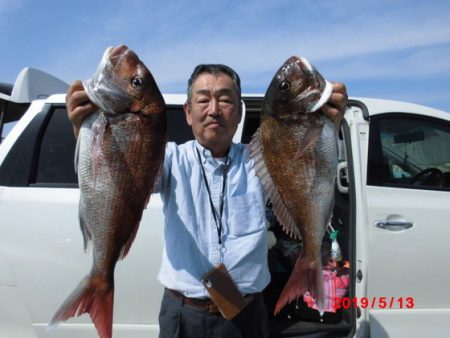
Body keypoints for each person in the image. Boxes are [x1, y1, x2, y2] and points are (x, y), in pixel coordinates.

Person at [66, 63, 347, 338]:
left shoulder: (263, 160)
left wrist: (325, 130)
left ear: (238, 113)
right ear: (188, 113)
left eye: (225, 100)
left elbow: (305, 172)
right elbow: (121, 179)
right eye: (203, 100)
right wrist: (88, 134)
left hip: (246, 314)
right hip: (182, 313)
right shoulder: (168, 159)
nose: (214, 110)